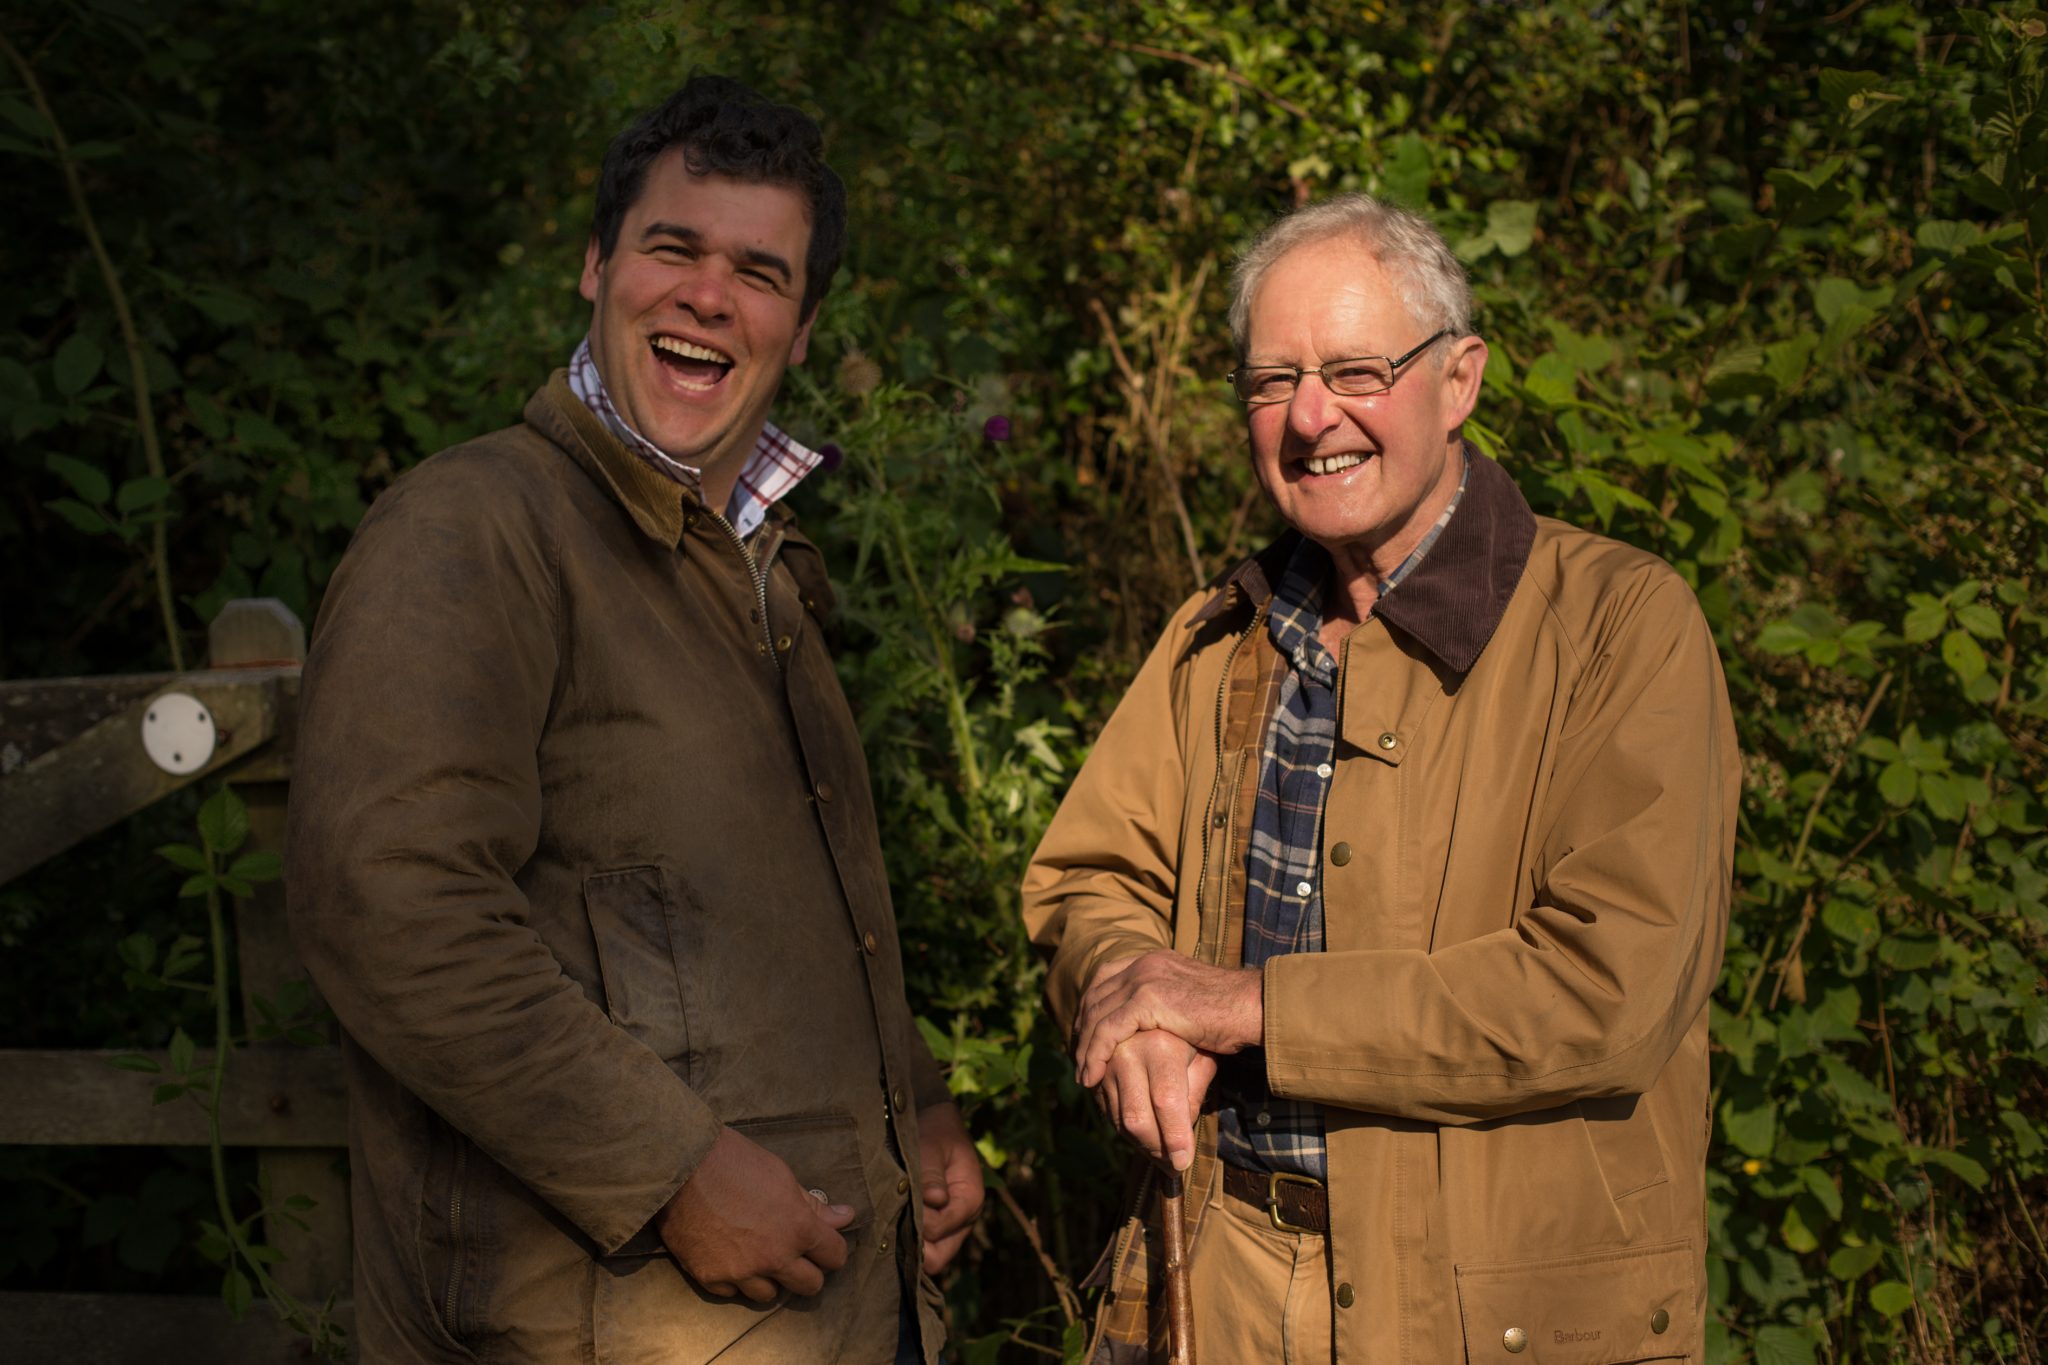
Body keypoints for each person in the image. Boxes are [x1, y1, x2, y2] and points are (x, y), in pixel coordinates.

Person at [287, 75, 981, 1363]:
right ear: (598, 266)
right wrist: (669, 1170)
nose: (709, 295)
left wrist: (916, 1108)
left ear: (803, 325)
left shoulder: (764, 570)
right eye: (673, 248)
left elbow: (761, 926)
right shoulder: (473, 531)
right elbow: (388, 900)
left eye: (759, 273)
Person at [1022, 194, 1737, 1364]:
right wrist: (1124, 999)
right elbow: (1091, 877)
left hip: (1488, 1314)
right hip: (1222, 1278)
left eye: (1355, 369)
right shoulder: (1221, 636)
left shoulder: (1619, 625)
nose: (1310, 418)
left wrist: (1241, 1006)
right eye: (1271, 381)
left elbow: (1607, 990)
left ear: (1457, 381)